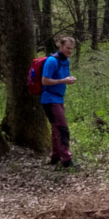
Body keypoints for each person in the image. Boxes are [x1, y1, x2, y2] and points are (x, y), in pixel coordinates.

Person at [40, 34, 78, 168]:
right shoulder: (51, 61)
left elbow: (63, 76)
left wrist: (69, 79)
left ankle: (55, 157)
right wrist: (63, 81)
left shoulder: (65, 61)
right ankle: (67, 160)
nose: (70, 51)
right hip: (49, 99)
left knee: (56, 127)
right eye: (67, 48)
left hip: (59, 98)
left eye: (71, 49)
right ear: (60, 46)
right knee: (62, 129)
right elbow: (44, 80)